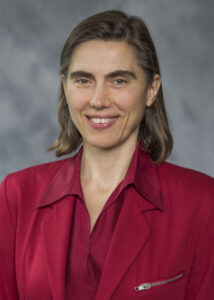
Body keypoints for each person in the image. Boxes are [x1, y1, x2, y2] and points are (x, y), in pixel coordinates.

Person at [0, 10, 213, 300]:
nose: (98, 100)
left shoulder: (202, 202)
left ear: (151, 90)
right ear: (65, 86)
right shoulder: (17, 194)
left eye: (119, 81)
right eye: (83, 80)